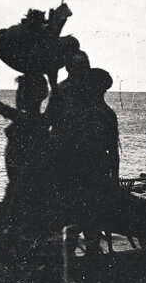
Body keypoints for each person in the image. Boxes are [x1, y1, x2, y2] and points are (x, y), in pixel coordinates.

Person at [48, 63, 120, 258]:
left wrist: (114, 179)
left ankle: (84, 261)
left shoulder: (103, 114)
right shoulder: (97, 114)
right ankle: (80, 260)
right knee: (81, 221)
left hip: (93, 173)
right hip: (81, 173)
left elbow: (113, 150)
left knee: (88, 222)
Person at [0, 49, 51, 229]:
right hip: (32, 190)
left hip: (21, 190)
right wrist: (53, 77)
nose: (18, 95)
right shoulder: (44, 119)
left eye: (22, 91)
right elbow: (56, 100)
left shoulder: (22, 118)